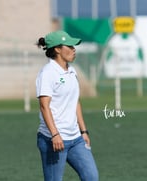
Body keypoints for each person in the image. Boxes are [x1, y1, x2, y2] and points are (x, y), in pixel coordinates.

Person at [35, 30, 99, 181]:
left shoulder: (71, 70)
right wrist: (55, 134)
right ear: (57, 49)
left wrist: (84, 131)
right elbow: (44, 106)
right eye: (69, 46)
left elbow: (75, 101)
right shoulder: (48, 73)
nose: (74, 49)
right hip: (54, 140)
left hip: (76, 138)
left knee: (91, 177)